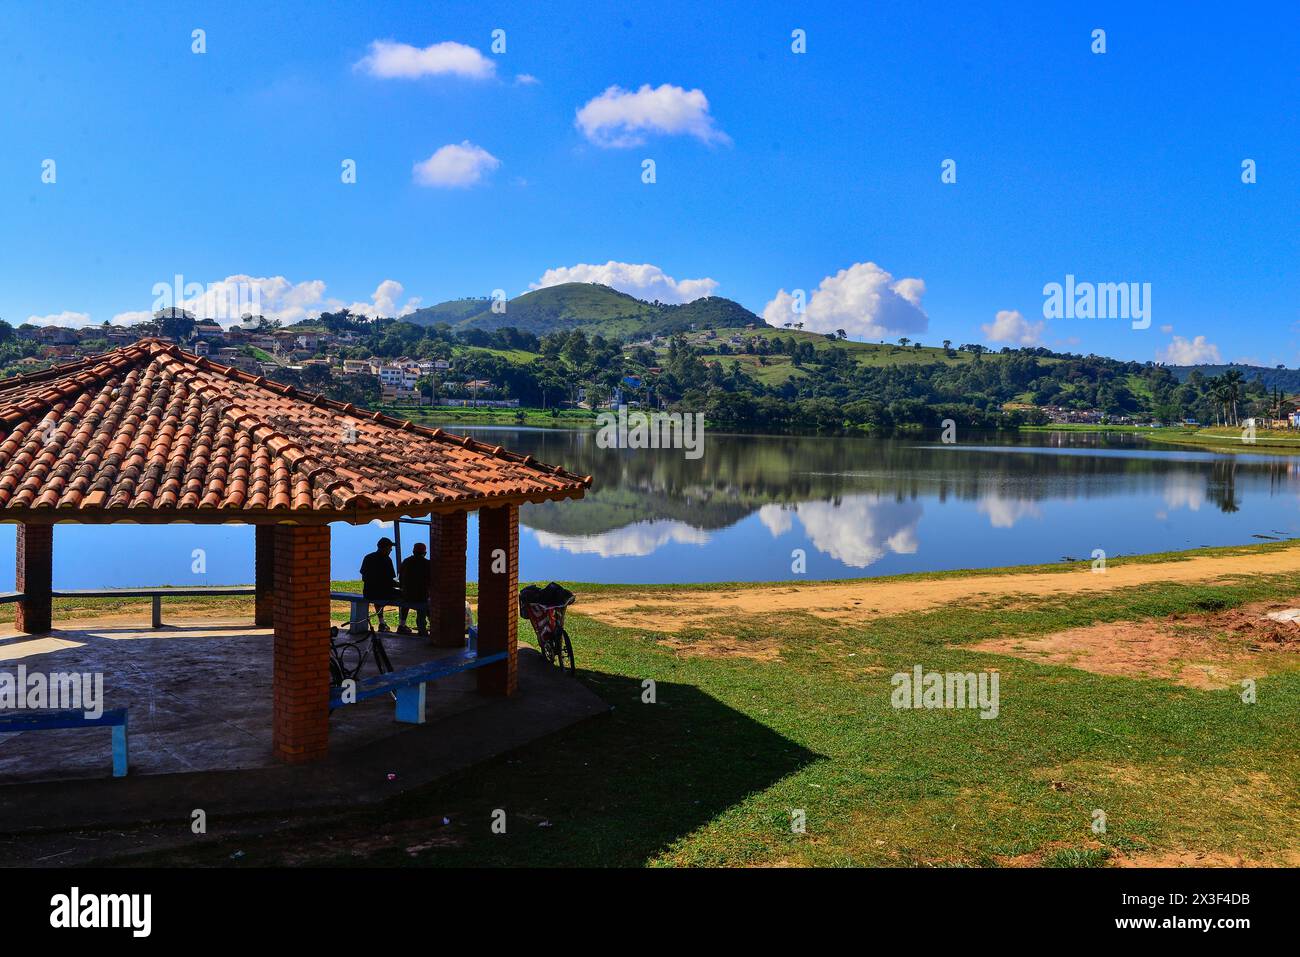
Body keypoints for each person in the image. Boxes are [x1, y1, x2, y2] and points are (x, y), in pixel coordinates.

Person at [359, 537, 401, 632]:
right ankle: (402, 625)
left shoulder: (368, 557)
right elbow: (390, 581)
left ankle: (382, 623)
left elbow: (363, 577)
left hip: (368, 592)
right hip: (384, 593)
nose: (391, 550)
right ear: (385, 548)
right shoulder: (387, 560)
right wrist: (402, 585)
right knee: (405, 596)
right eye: (390, 548)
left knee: (377, 596)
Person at [397, 542, 430, 636]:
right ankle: (422, 629)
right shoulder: (427, 564)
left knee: (405, 600)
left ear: (413, 551)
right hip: (421, 596)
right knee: (424, 604)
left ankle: (402, 625)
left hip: (406, 595)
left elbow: (400, 578)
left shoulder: (406, 561)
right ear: (425, 553)